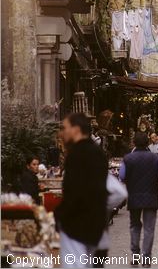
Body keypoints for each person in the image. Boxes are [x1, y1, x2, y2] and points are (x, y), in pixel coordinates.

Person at [55, 113, 108, 269]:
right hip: (94, 226)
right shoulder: (97, 153)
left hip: (76, 227)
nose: (61, 133)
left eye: (65, 128)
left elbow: (76, 192)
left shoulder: (78, 154)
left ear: (76, 129)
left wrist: (58, 216)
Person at [120, 132, 158, 268]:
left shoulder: (128, 158)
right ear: (148, 143)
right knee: (149, 228)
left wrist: (130, 181)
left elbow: (122, 176)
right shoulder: (155, 158)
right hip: (151, 196)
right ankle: (146, 258)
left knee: (134, 226)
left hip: (134, 196)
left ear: (134, 143)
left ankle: (135, 256)